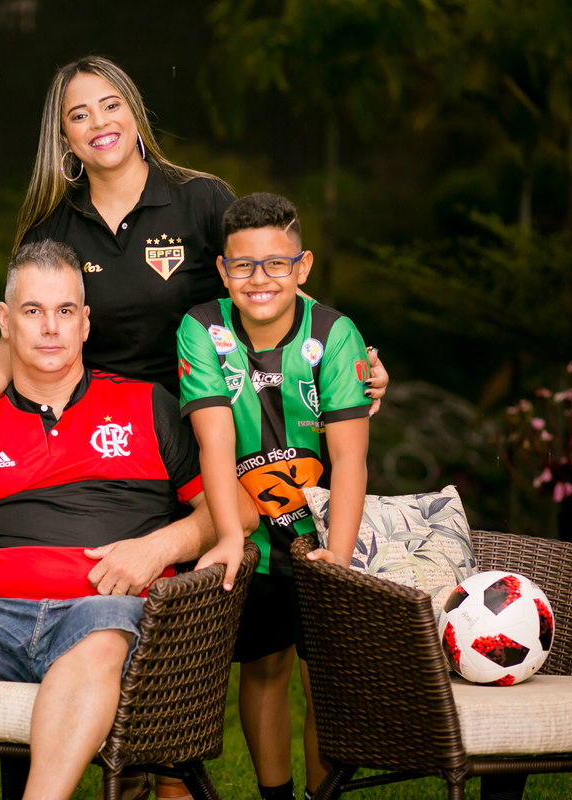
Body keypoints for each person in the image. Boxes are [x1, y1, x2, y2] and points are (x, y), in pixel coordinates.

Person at [0, 239, 256, 800]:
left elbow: (239, 509)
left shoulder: (147, 406)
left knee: (99, 632)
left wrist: (159, 547)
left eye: (65, 311)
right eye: (32, 310)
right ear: (5, 321)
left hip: (107, 614)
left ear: (85, 323)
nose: (50, 328)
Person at [0, 55, 389, 474]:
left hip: (217, 420)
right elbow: (23, 333)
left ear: (135, 113)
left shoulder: (201, 198)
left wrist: (349, 355)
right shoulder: (51, 229)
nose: (99, 122)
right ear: (64, 137)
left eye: (111, 105)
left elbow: (272, 285)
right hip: (106, 436)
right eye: (79, 115)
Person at [180, 193, 371, 800]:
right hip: (253, 534)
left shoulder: (334, 333)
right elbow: (213, 442)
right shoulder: (202, 328)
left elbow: (350, 457)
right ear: (222, 270)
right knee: (264, 668)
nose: (259, 279)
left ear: (302, 266)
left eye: (276, 263)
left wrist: (340, 555)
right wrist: (229, 537)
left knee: (324, 683)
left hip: (320, 535)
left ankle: (321, 797)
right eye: (243, 265)